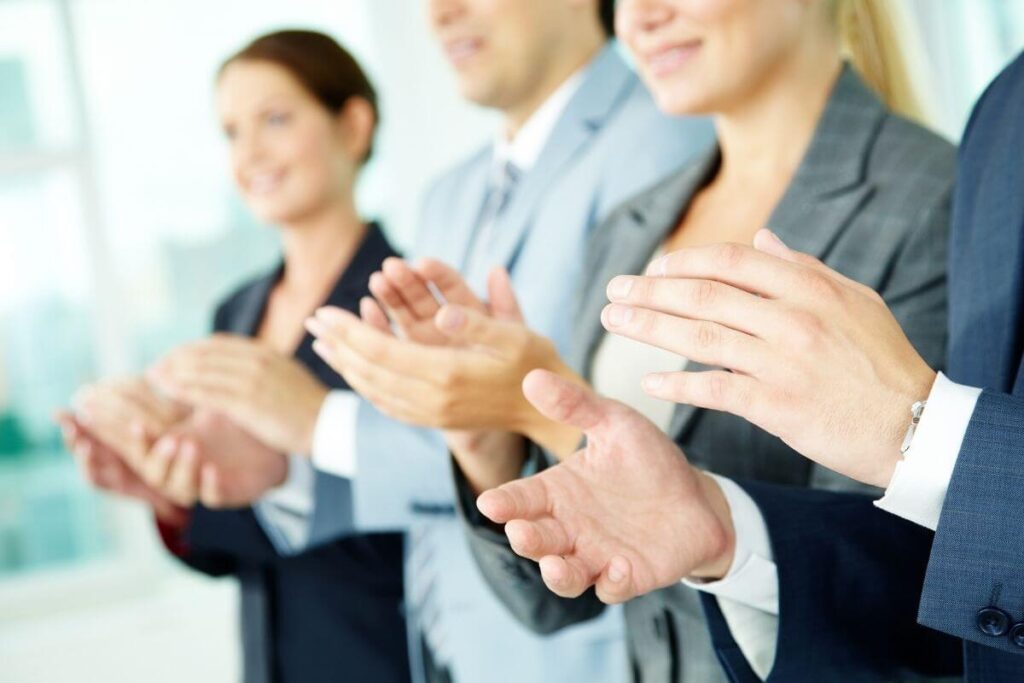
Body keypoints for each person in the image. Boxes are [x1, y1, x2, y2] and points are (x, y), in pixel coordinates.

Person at [308, 0, 961, 680]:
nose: (640, 17)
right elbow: (557, 600)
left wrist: (542, 415)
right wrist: (487, 438)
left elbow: (905, 580)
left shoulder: (931, 199)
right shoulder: (634, 222)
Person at [148, 1, 713, 681]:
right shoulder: (450, 193)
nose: (441, 14)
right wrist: (276, 475)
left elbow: (621, 440)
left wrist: (318, 423)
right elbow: (445, 443)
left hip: (585, 646)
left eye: (274, 119)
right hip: (443, 646)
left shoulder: (666, 139)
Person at [517, 49, 1024, 681]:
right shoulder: (1005, 113)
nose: (642, 13)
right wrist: (724, 528)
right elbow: (951, 569)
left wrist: (919, 431)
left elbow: (937, 575)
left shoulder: (929, 185)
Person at [57, 31, 410, 683]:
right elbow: (249, 551)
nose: (249, 154)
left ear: (353, 125)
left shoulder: (403, 303)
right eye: (230, 132)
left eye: (275, 119)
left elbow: (433, 512)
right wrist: (172, 497)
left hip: (381, 653)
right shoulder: (235, 313)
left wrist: (282, 475)